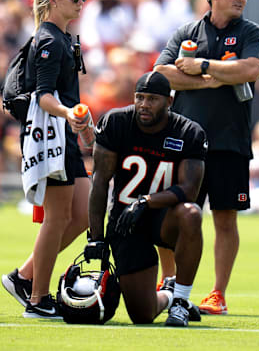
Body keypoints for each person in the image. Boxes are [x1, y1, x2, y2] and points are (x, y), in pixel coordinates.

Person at [154, 0, 259, 315]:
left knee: (225, 217)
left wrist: (203, 66)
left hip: (229, 141)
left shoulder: (251, 31)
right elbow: (161, 74)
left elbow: (251, 69)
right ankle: (169, 280)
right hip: (185, 142)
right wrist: (218, 77)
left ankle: (217, 293)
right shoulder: (187, 30)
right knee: (173, 213)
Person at [1, 0, 90, 319]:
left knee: (82, 213)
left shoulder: (63, 37)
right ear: (53, 0)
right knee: (57, 217)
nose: (81, 3)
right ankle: (37, 299)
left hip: (63, 133)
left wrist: (81, 123)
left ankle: (23, 277)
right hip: (49, 135)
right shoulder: (51, 40)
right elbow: (44, 97)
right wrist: (69, 113)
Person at [86, 72, 207, 327]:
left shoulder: (188, 131)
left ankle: (181, 303)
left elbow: (189, 190)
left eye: (152, 99)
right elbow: (98, 183)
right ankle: (170, 293)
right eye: (140, 97)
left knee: (192, 214)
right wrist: (95, 237)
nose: (144, 104)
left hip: (164, 217)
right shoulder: (116, 122)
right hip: (125, 223)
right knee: (142, 315)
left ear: (169, 102)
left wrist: (145, 202)